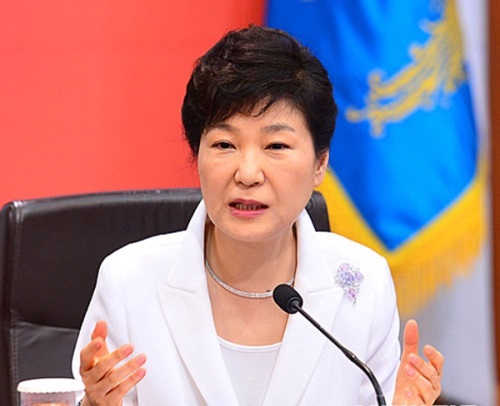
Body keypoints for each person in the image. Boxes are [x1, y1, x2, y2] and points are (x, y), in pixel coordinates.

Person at [72, 25, 443, 405]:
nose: (247, 173)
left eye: (276, 145)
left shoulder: (364, 283)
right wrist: (93, 404)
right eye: (224, 144)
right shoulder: (129, 282)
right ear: (197, 156)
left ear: (320, 163)